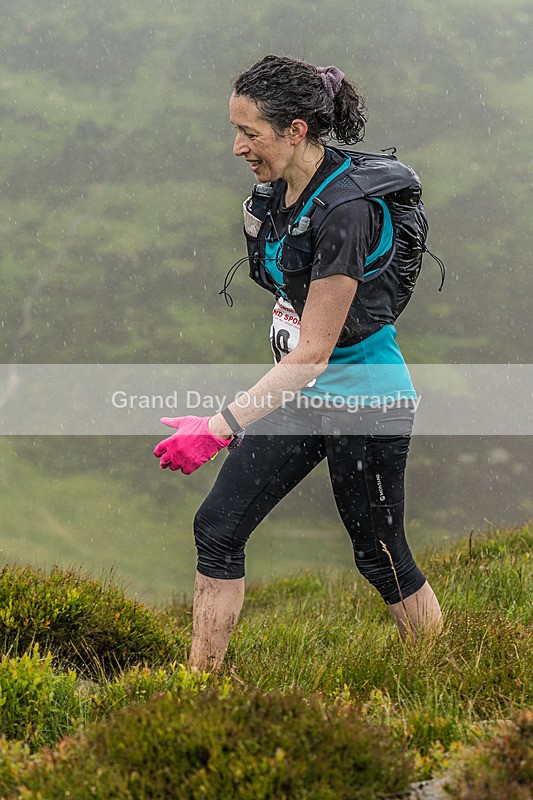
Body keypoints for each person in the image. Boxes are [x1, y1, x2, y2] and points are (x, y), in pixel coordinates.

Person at [154, 55, 442, 672]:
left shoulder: (346, 212)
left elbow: (312, 353)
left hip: (366, 400)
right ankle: (199, 688)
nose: (237, 148)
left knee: (380, 554)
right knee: (219, 527)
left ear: (297, 130)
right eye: (234, 130)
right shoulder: (281, 194)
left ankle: (441, 669)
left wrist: (219, 426)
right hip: (302, 397)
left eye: (249, 132)